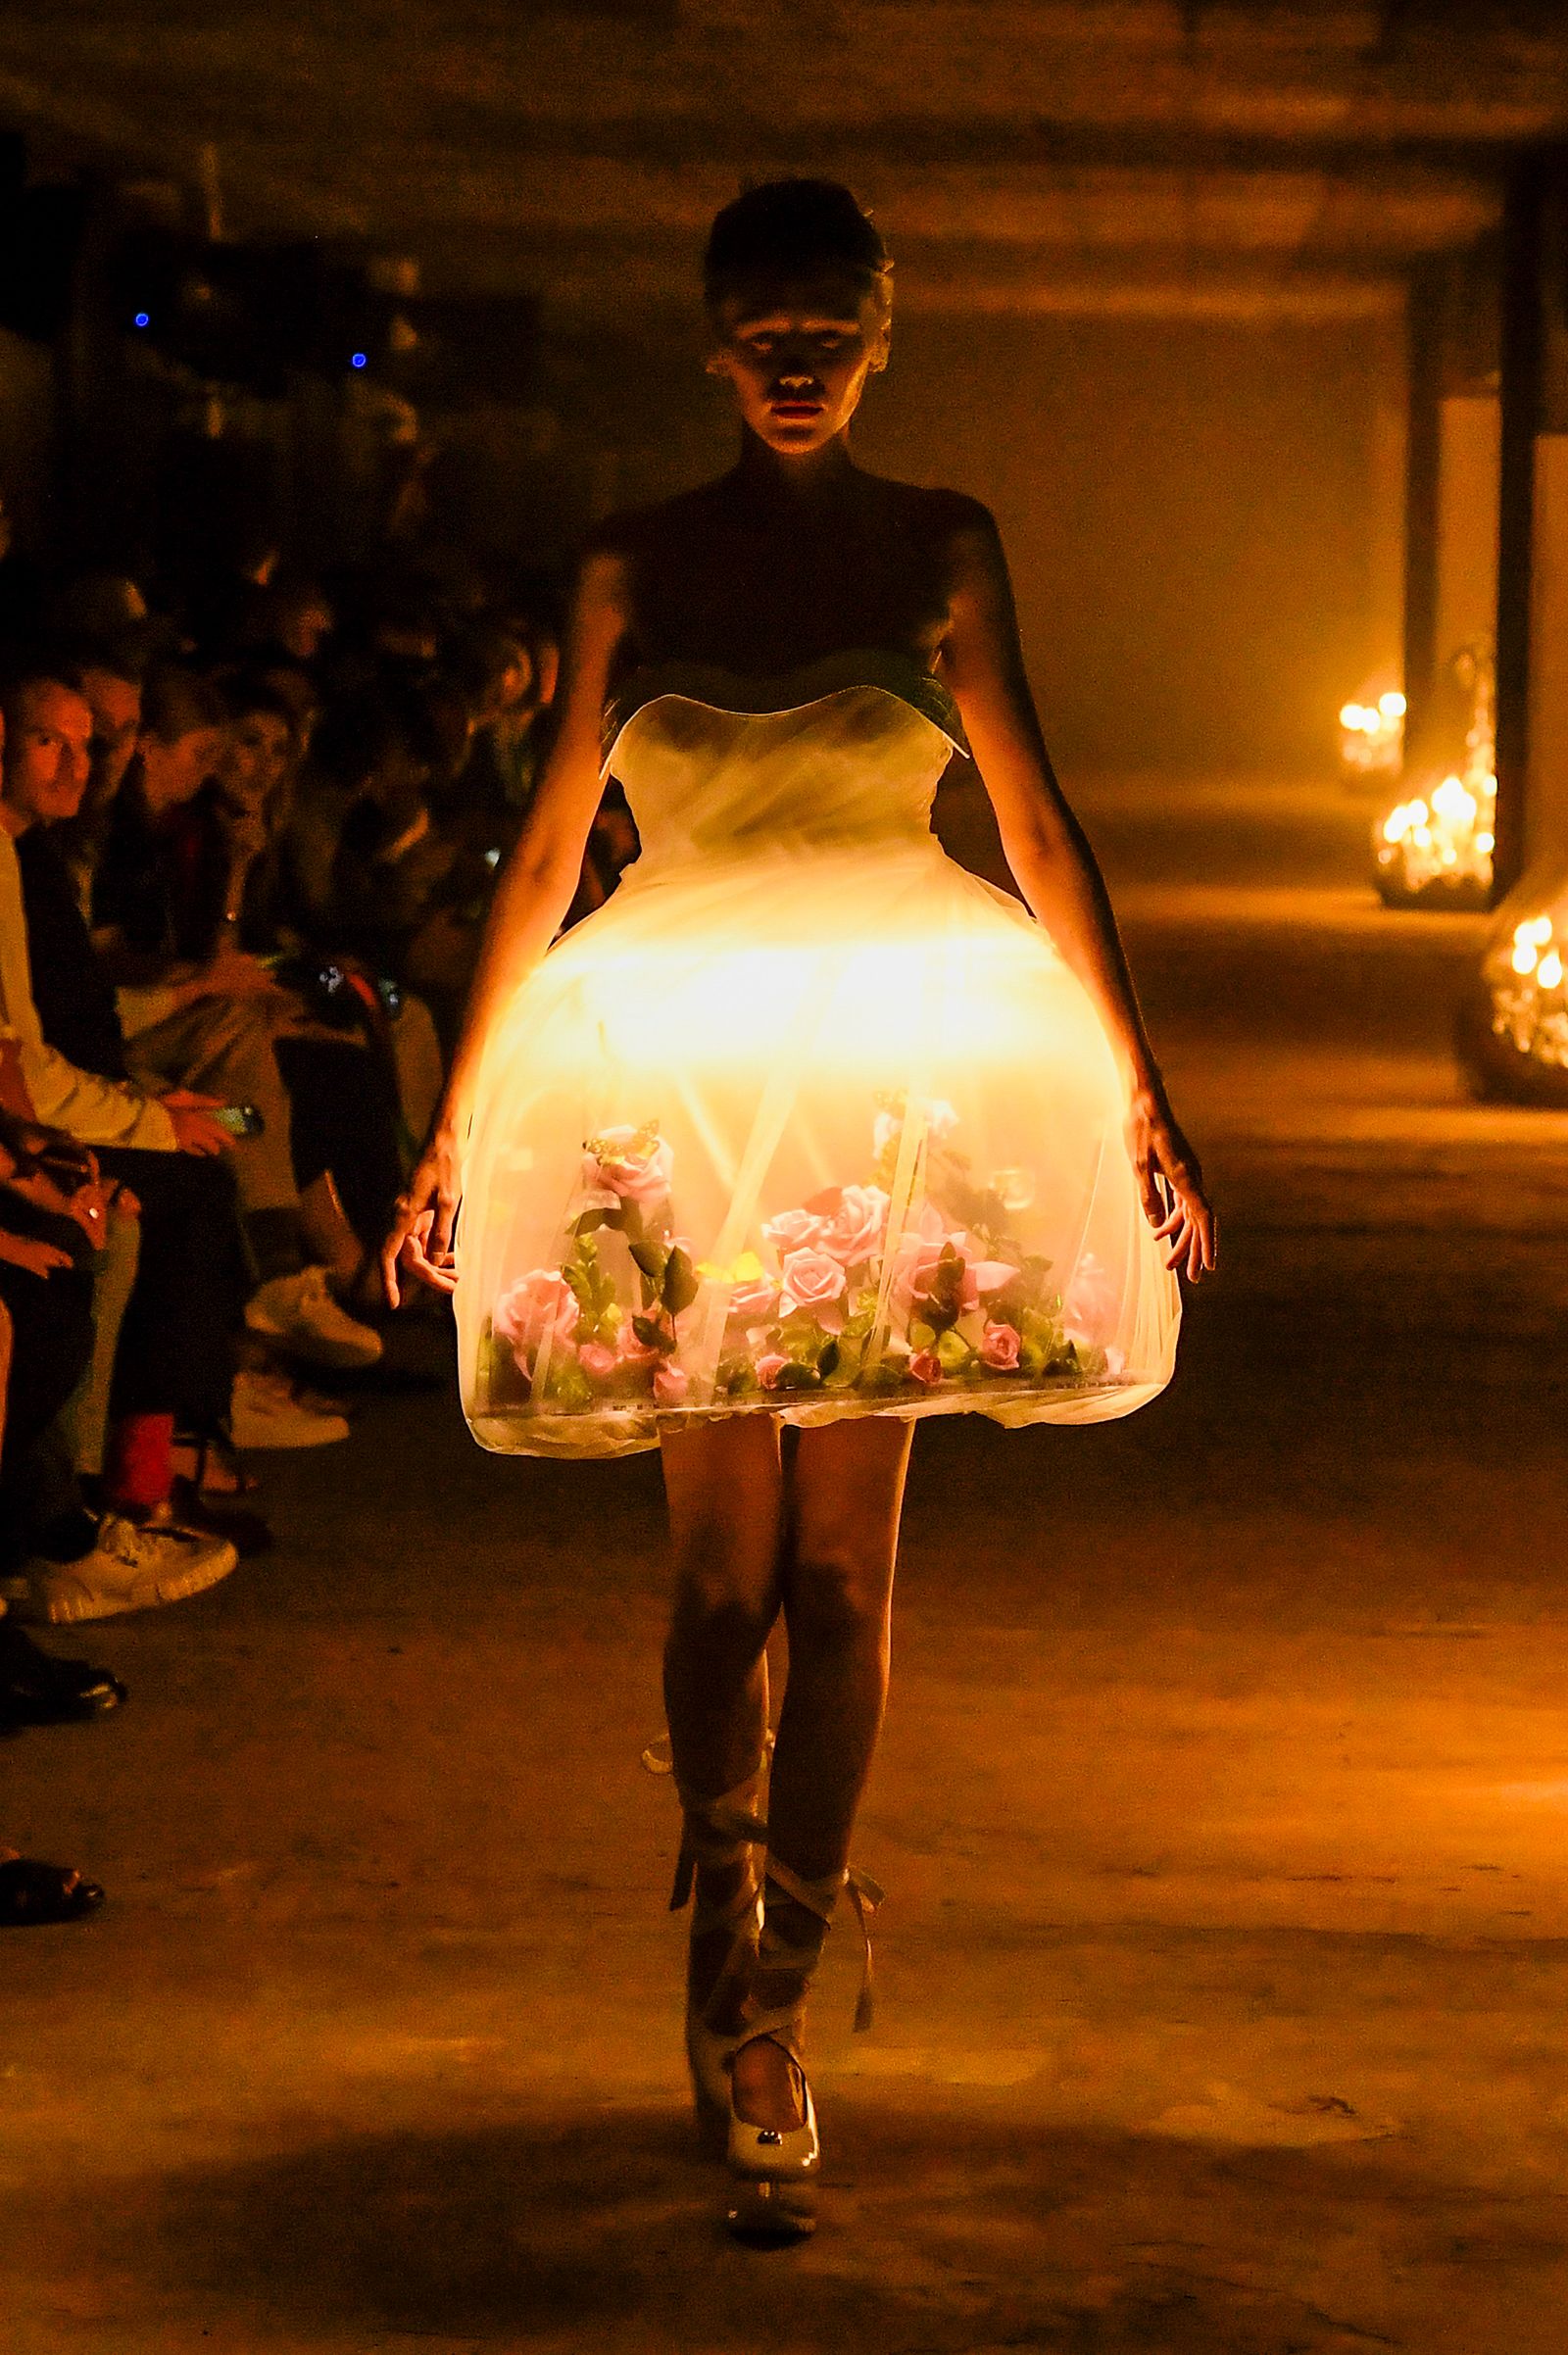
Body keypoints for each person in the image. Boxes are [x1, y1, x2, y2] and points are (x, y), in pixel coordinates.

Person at [385, 179, 1216, 2241]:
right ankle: (715, 1929)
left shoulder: (940, 542)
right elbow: (542, 846)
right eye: (757, 322)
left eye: (824, 324)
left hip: (887, 1083)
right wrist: (450, 1127)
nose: (790, 356)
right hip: (664, 1078)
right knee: (708, 1589)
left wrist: (1141, 1086)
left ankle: (767, 1995)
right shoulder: (630, 558)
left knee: (839, 1585)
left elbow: (1032, 813)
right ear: (705, 338)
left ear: (876, 338)